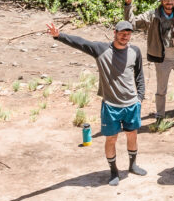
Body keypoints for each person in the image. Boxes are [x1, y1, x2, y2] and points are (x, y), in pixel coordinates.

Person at [46, 20, 146, 186]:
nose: (125, 36)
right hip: (111, 105)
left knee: (132, 135)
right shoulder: (101, 50)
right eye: (122, 33)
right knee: (111, 139)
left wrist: (140, 97)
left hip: (131, 104)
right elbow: (81, 43)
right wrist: (59, 36)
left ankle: (132, 164)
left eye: (128, 33)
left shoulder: (135, 51)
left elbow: (139, 75)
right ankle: (113, 171)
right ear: (114, 32)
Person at [123, 0, 174, 126]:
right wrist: (128, 5)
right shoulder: (153, 15)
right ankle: (160, 116)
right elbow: (131, 23)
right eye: (166, 0)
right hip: (162, 59)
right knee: (161, 90)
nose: (169, 2)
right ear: (161, 1)